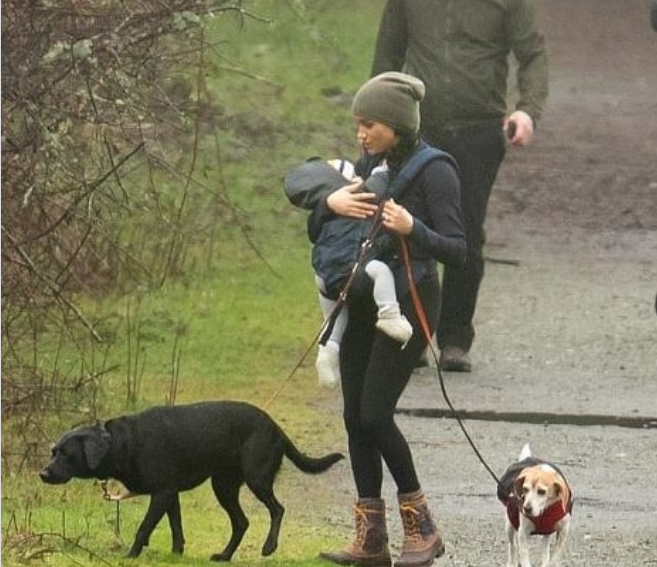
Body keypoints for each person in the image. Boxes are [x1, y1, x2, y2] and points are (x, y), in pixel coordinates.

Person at [315, 72, 466, 567]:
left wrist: (413, 227)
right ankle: (370, 540)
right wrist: (329, 202)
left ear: (396, 125)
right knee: (353, 417)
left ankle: (423, 528)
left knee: (376, 413)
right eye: (358, 125)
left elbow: (459, 250)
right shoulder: (369, 164)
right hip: (363, 299)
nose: (360, 134)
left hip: (413, 301)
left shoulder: (437, 171)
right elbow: (328, 228)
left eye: (369, 124)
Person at [371, 0, 549, 372]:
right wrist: (377, 120)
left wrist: (527, 109)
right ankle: (411, 334)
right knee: (403, 227)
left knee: (464, 229)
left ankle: (454, 339)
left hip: (479, 129)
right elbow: (388, 51)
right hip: (419, 128)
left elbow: (532, 54)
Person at [285, 159, 414, 389]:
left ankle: (328, 350)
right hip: (355, 270)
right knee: (381, 271)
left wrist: (326, 205)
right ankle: (390, 315)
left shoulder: (324, 208)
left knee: (333, 319)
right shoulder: (363, 202)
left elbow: (314, 233)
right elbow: (379, 230)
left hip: (324, 276)